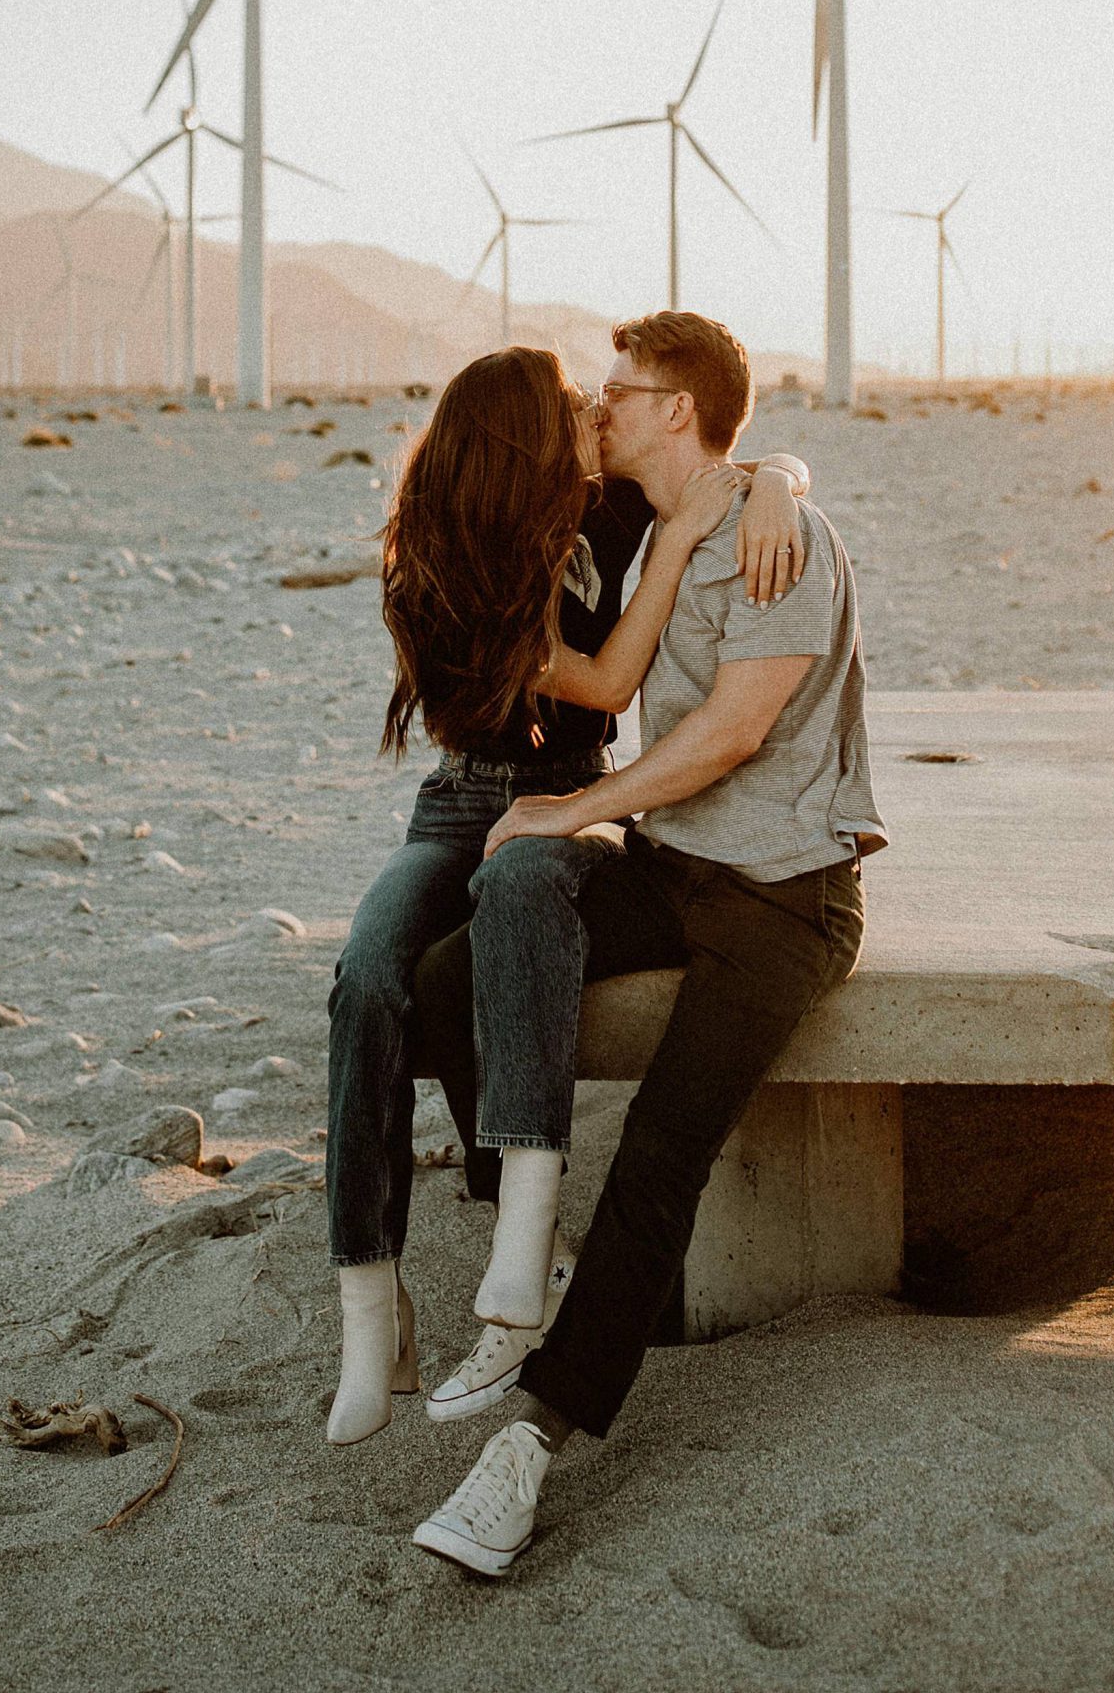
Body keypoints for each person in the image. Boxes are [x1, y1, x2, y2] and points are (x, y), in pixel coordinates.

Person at [408, 311, 885, 1575]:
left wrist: (573, 806)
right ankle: (529, 1254)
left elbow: (728, 734)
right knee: (445, 976)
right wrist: (779, 462)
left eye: (616, 394)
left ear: (673, 410)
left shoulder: (784, 544)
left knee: (661, 1153)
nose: (596, 412)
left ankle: (526, 1451)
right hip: (677, 870)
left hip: (785, 895)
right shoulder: (650, 521)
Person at [324, 342, 813, 1446]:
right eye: (571, 406)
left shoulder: (602, 508)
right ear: (517, 441)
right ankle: (370, 1302)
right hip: (459, 806)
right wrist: (681, 546)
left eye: (603, 400)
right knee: (366, 982)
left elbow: (717, 464)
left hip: (572, 793)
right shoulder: (437, 569)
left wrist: (776, 477)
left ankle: (521, 1225)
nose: (597, 411)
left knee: (497, 933)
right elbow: (597, 681)